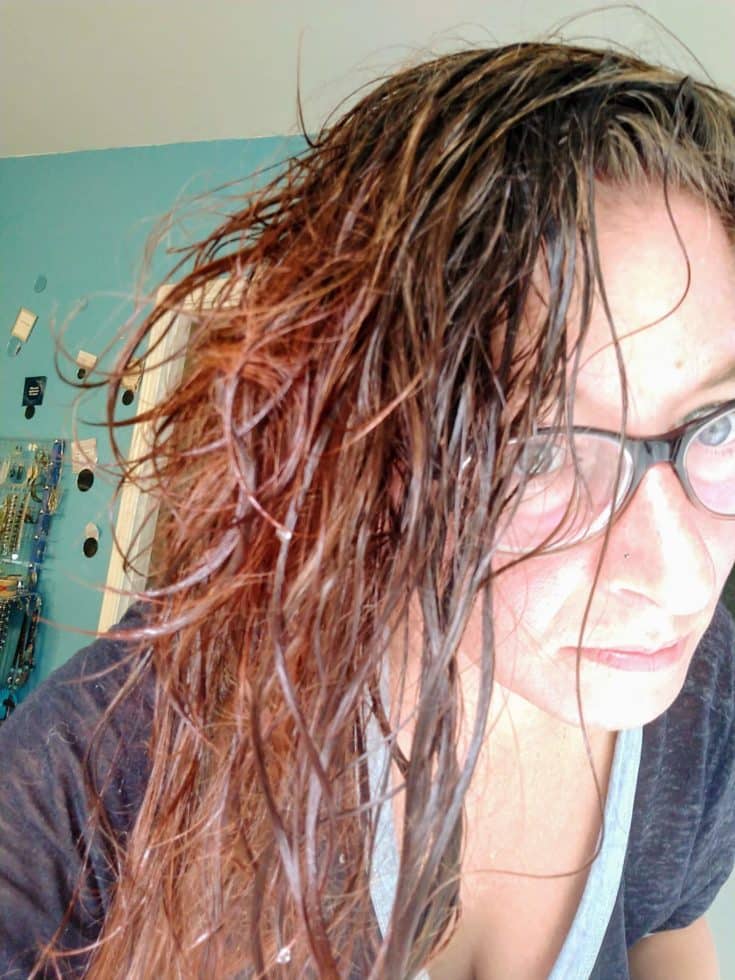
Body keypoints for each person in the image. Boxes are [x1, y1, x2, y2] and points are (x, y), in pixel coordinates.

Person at [1, 40, 735, 980]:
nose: (678, 576)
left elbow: (665, 919)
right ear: (364, 448)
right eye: (539, 450)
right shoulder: (106, 770)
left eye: (716, 426)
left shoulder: (699, 692)